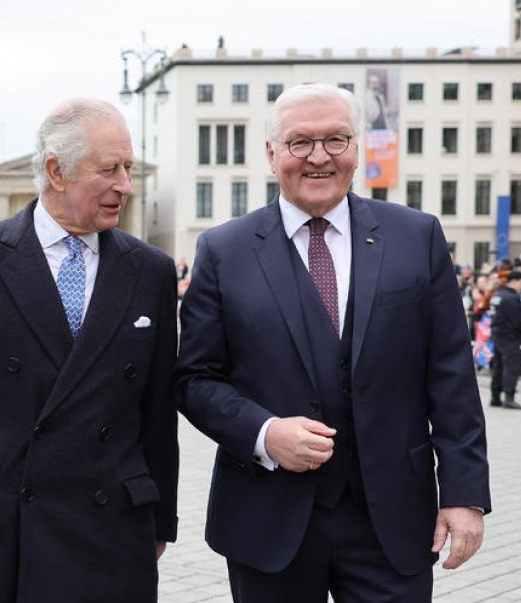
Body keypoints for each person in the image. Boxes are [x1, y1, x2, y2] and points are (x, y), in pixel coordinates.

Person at [175, 83, 490, 602]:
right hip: (267, 519)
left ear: (357, 149)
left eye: (336, 140)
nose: (319, 157)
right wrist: (264, 432)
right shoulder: (222, 250)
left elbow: (451, 374)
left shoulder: (417, 237)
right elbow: (194, 379)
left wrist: (465, 495)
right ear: (272, 155)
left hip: (393, 521)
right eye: (300, 143)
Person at [0, 98, 179, 603]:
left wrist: (158, 518)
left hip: (114, 528)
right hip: (8, 525)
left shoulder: (151, 271)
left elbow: (159, 410)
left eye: (129, 168)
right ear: (56, 170)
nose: (125, 185)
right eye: (109, 169)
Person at [489, 270, 521, 409]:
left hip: (497, 333)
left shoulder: (498, 295)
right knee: (511, 366)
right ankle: (509, 397)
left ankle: (495, 397)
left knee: (498, 366)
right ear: (515, 281)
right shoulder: (513, 298)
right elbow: (518, 320)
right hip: (510, 335)